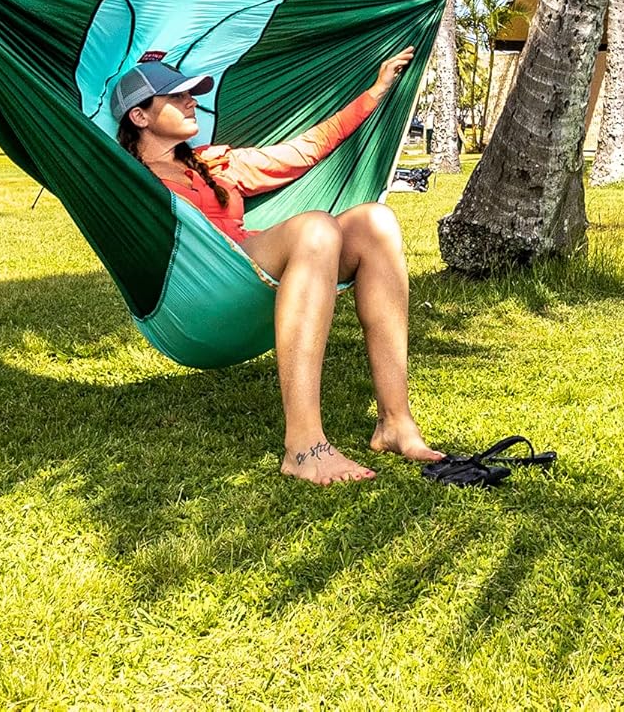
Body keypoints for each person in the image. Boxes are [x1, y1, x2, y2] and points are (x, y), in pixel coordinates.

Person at [112, 48, 444, 486]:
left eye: (192, 94)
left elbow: (302, 151)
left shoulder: (216, 163)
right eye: (177, 97)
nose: (192, 101)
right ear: (139, 117)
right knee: (316, 228)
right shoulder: (126, 180)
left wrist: (375, 92)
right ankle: (304, 445)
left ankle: (395, 423)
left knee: (374, 222)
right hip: (195, 293)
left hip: (249, 276)